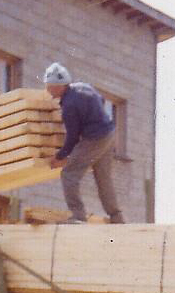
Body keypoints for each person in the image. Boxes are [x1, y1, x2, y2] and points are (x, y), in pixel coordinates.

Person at [43, 62, 125, 224]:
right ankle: (116, 217)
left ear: (59, 86)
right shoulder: (83, 87)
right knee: (103, 178)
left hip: (94, 139)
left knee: (69, 174)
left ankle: (78, 216)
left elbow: (72, 137)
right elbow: (100, 100)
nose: (48, 90)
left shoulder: (69, 106)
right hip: (109, 134)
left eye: (49, 87)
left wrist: (60, 156)